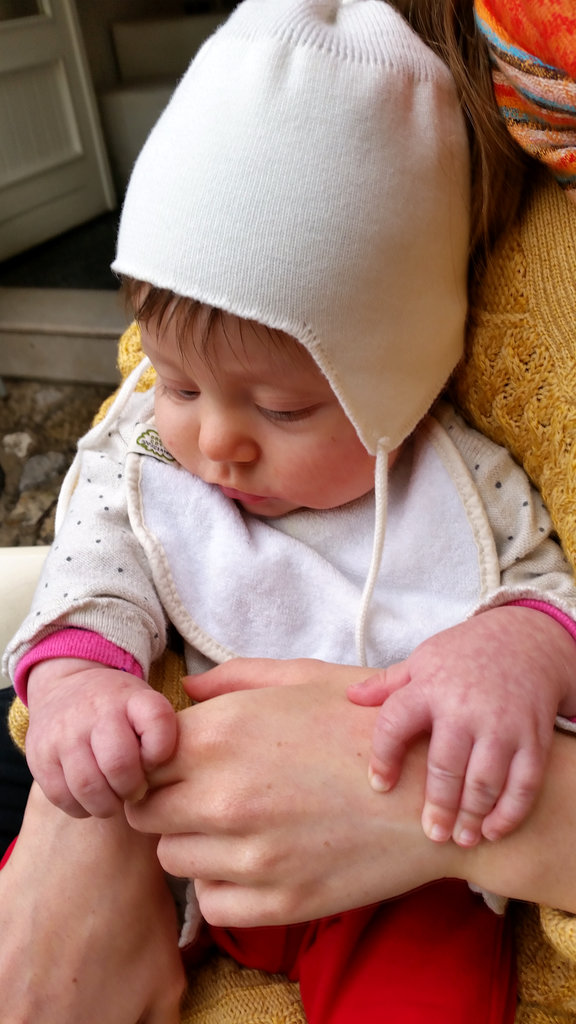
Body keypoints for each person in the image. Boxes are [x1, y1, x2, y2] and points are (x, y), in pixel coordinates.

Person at [3, 1, 576, 1022]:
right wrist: (77, 691)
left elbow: (541, 590)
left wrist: (512, 653)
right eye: (179, 383)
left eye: (280, 407)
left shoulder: (458, 480)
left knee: (433, 987)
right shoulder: (148, 445)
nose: (215, 440)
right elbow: (95, 562)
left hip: (399, 874)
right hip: (166, 821)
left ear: (397, 382)